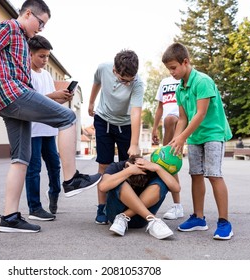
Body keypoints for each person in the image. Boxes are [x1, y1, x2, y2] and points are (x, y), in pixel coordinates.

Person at [0, 0, 101, 233]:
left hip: (10, 100)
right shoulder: (8, 28)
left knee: (21, 159)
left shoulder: (22, 40)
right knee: (68, 117)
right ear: (28, 14)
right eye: (40, 23)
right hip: (14, 93)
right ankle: (71, 179)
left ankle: (9, 218)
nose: (40, 29)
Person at [162, 42, 234, 240]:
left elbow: (201, 114)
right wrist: (176, 140)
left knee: (214, 175)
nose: (171, 72)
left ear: (185, 62)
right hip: (195, 136)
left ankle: (224, 222)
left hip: (213, 133)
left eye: (174, 68)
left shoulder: (202, 81)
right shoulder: (180, 89)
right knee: (196, 174)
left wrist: (182, 137)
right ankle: (199, 218)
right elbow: (183, 119)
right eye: (169, 69)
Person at [88, 50, 145, 225]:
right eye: (123, 80)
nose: (127, 83)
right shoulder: (103, 68)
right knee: (104, 165)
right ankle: (102, 207)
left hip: (125, 124)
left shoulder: (137, 83)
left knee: (126, 166)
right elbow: (96, 83)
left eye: (130, 80)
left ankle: (123, 207)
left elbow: (136, 112)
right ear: (115, 70)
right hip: (103, 120)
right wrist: (91, 102)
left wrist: (134, 143)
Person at [25, 35, 73, 221]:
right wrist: (54, 95)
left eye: (47, 56)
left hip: (49, 130)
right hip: (33, 130)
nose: (45, 60)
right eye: (41, 56)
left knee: (55, 166)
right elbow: (33, 101)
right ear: (30, 54)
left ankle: (53, 193)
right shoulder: (26, 74)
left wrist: (64, 97)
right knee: (34, 169)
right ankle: (34, 208)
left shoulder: (46, 75)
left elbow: (51, 102)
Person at [97, 155, 180, 239]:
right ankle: (152, 219)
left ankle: (125, 216)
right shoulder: (116, 167)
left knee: (162, 182)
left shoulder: (151, 169)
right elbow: (102, 187)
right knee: (117, 180)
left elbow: (176, 188)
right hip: (115, 218)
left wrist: (157, 168)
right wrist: (129, 171)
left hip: (141, 220)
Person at [152, 76, 184, 220]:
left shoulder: (188, 79)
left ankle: (178, 206)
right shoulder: (164, 82)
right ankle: (177, 206)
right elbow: (160, 108)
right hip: (167, 127)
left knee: (168, 161)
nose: (172, 71)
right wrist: (154, 129)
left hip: (183, 123)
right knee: (167, 165)